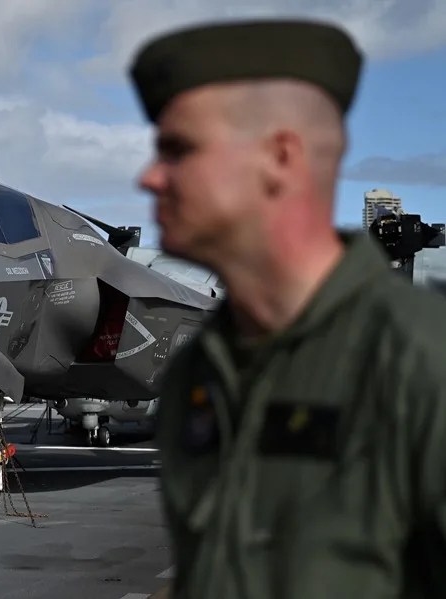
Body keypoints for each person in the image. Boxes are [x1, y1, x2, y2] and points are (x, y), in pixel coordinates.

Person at [128, 19, 446, 599]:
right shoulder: (197, 374)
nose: (149, 177)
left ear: (279, 158)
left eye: (180, 150)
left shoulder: (420, 362)